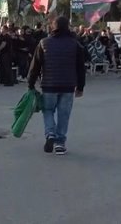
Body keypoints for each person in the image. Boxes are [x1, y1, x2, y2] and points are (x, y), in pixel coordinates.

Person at [27, 17, 86, 155]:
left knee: (47, 111)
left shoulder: (44, 43)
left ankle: (50, 134)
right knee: (64, 114)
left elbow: (35, 66)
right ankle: (60, 143)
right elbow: (80, 68)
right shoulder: (75, 44)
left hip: (49, 85)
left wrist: (30, 83)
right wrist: (80, 87)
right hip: (68, 85)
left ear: (53, 27)